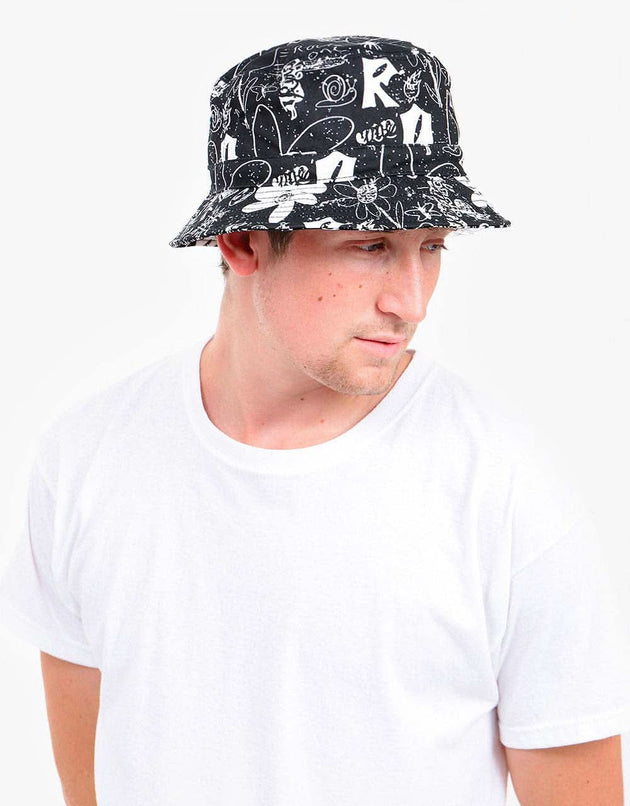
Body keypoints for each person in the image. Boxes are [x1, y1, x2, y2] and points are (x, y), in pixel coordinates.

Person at [1, 34, 629, 806]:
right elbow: (90, 784)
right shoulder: (89, 459)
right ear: (243, 241)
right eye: (371, 245)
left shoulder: (504, 486)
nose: (412, 301)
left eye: (431, 246)